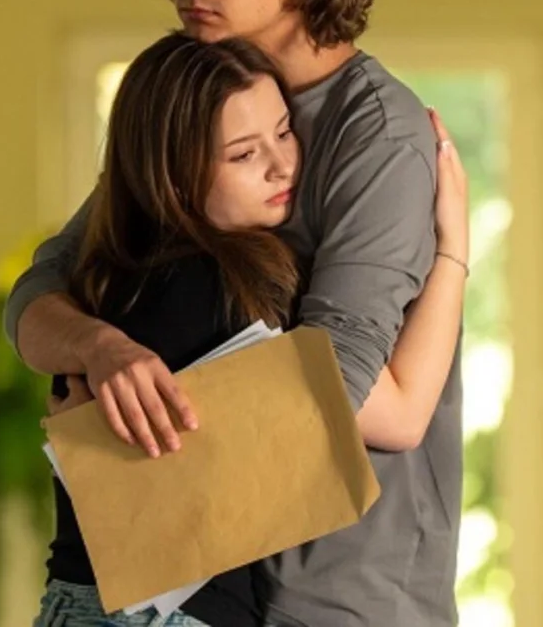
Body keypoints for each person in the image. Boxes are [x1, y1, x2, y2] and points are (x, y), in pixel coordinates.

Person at [8, 0, 465, 627]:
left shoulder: (379, 136)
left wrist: (118, 432)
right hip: (207, 590)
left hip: (342, 599)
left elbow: (338, 389)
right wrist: (104, 350)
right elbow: (40, 295)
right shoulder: (195, 109)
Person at [34, 31, 466, 626]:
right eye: (243, 155)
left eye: (284, 132)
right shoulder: (212, 294)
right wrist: (452, 253)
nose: (282, 165)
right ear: (175, 176)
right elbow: (399, 416)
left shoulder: (106, 278)